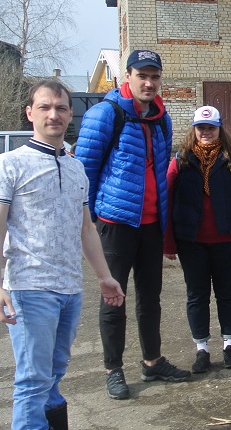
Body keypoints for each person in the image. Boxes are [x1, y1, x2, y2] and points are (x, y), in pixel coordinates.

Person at [0, 79, 126, 430]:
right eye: (45, 107)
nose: (54, 115)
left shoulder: (76, 165)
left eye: (61, 108)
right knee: (32, 377)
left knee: (54, 369)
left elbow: (86, 229)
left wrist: (103, 275)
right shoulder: (9, 165)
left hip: (68, 287)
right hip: (28, 288)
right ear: (30, 112)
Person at [78, 49, 190, 399]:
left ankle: (152, 361)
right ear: (127, 76)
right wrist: (93, 220)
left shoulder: (161, 118)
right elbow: (84, 173)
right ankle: (113, 369)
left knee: (150, 297)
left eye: (155, 76)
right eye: (142, 75)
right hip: (115, 222)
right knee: (114, 297)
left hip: (151, 223)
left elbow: (160, 169)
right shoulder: (105, 114)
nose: (149, 82)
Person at [164, 106, 231, 373]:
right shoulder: (180, 161)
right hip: (190, 241)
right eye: (201, 128)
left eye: (211, 128)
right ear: (194, 130)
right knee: (197, 295)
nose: (206, 133)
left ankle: (229, 344)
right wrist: (168, 242)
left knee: (227, 293)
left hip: (226, 240)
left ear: (219, 130)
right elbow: (168, 202)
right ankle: (201, 349)